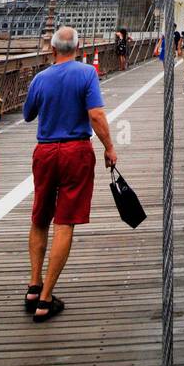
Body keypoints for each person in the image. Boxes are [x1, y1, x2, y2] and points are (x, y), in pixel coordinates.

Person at [23, 26, 117, 322]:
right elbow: (96, 115)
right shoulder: (87, 73)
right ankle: (46, 299)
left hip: (46, 152)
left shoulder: (40, 78)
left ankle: (33, 285)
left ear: (52, 50)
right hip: (76, 151)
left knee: (40, 218)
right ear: (78, 49)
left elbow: (28, 114)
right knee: (64, 223)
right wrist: (109, 147)